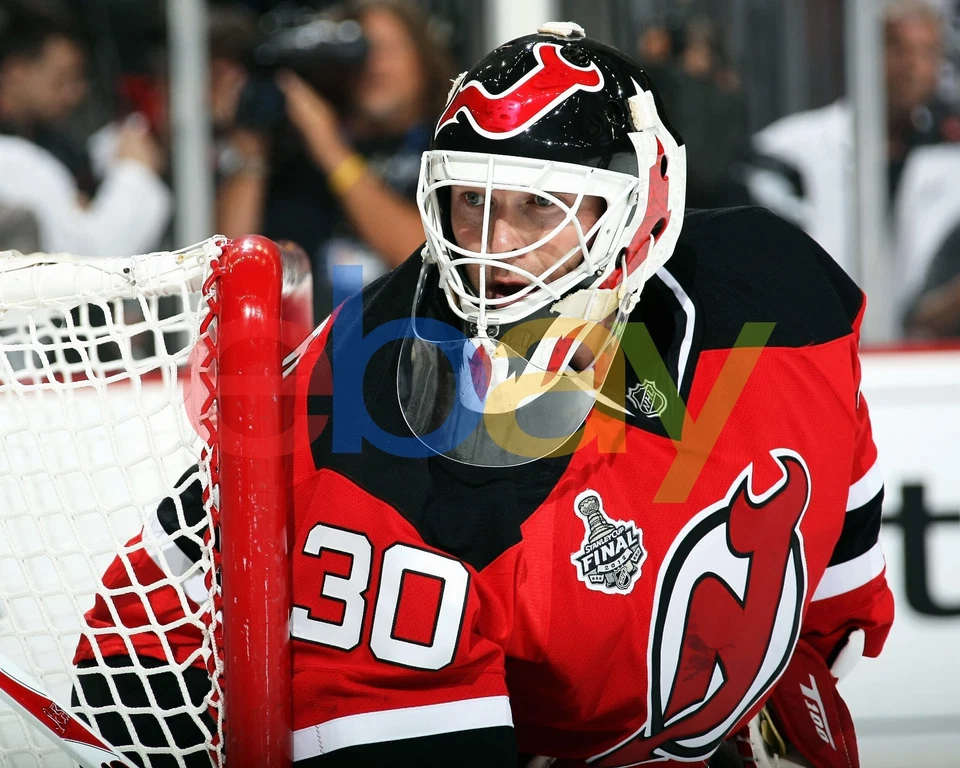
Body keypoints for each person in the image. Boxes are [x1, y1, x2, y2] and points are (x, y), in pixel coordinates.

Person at [74, 21, 894, 768]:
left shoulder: (784, 298)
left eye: (539, 205)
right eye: (474, 202)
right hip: (171, 694)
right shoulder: (388, 426)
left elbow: (832, 600)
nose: (493, 253)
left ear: (642, 209)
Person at [217, 0, 455, 317]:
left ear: (423, 58)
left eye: (388, 49)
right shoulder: (303, 153)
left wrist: (331, 150)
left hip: (405, 350)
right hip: (317, 350)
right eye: (358, 50)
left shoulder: (445, 145)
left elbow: (428, 258)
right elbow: (230, 268)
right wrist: (251, 148)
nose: (374, 64)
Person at [747, 0, 960, 333]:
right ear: (863, 51)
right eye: (897, 47)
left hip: (918, 366)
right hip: (811, 350)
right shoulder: (790, 147)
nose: (913, 65)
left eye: (928, 51)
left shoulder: (949, 162)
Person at [0, 3, 171, 258]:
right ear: (17, 73)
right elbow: (91, 256)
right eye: (62, 79)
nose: (75, 93)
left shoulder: (54, 143)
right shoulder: (12, 158)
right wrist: (135, 169)